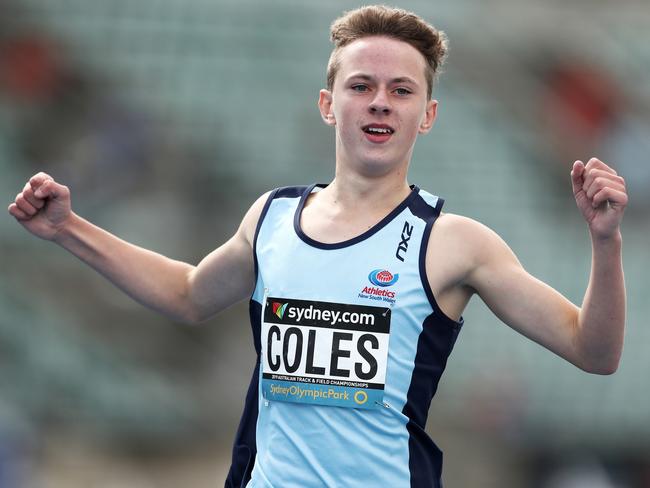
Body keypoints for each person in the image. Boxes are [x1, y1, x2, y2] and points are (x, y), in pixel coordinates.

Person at [7, 5, 627, 488]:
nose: (381, 100)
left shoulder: (454, 242)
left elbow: (592, 351)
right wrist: (67, 228)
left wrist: (604, 243)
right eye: (362, 85)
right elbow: (188, 293)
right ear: (329, 105)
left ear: (429, 114)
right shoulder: (272, 218)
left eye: (402, 90)